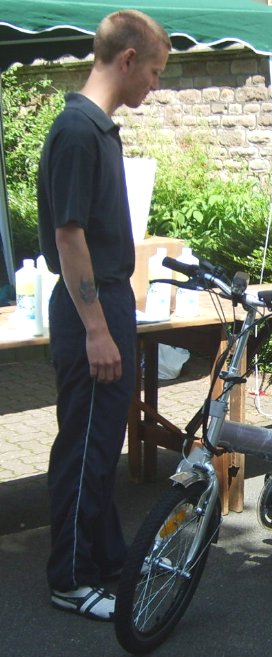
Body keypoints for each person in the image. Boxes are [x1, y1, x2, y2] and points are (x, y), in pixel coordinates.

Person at [38, 10, 171, 620]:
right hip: (89, 307)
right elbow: (69, 237)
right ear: (127, 60)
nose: (155, 84)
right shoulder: (76, 131)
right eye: (154, 70)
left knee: (101, 442)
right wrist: (96, 329)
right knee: (85, 446)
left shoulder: (97, 129)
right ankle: (69, 577)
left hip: (110, 300)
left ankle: (107, 556)